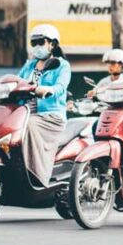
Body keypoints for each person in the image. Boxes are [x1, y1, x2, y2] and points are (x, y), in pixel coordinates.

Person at [17, 24, 71, 185]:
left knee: (28, 125)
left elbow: (61, 87)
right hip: (25, 111)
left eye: (41, 42)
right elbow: (17, 81)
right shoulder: (29, 65)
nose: (37, 46)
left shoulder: (61, 65)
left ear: (52, 44)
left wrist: (49, 89)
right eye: (34, 43)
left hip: (50, 115)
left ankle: (37, 174)